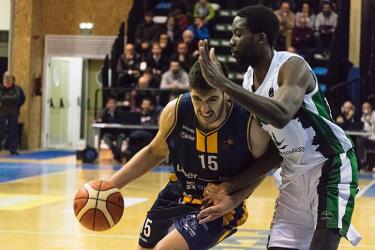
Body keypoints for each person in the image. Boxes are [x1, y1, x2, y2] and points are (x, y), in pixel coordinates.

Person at [197, 5, 359, 250]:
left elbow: (281, 114)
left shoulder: (292, 66)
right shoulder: (248, 81)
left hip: (329, 166)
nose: (232, 41)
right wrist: (228, 187)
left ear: (261, 38)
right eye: (231, 34)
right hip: (292, 177)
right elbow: (275, 153)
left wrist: (222, 83)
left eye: (238, 34)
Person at [107, 61, 281, 250]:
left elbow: (262, 168)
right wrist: (110, 185)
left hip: (218, 203)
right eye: (197, 99)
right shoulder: (175, 111)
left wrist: (234, 199)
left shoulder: (248, 122)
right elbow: (154, 151)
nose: (204, 109)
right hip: (177, 192)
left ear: (225, 93)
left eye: (212, 99)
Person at [0, 72, 25, 155]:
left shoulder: (17, 88)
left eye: (9, 78)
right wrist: (10, 100)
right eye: (6, 78)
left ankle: (13, 149)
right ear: (3, 79)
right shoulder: (0, 88)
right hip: (2, 113)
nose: (7, 80)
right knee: (1, 130)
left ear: (12, 79)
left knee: (13, 131)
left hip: (13, 112)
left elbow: (18, 98)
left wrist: (5, 100)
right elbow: (2, 98)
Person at [97, 97, 126, 163]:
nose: (111, 105)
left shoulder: (120, 112)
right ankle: (117, 157)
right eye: (109, 103)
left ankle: (117, 157)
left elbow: (121, 122)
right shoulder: (104, 112)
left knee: (118, 146)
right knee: (106, 138)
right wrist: (105, 110)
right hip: (108, 133)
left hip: (118, 133)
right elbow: (101, 119)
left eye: (113, 103)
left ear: (116, 104)